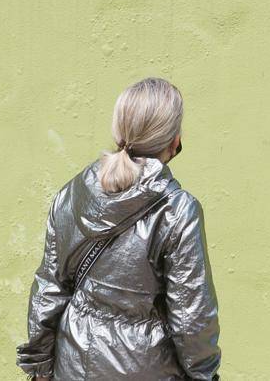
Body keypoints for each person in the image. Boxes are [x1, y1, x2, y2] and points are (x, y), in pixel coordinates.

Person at [17, 78, 220, 380]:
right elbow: (192, 319)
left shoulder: (72, 194)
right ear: (173, 139)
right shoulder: (178, 211)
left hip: (73, 366)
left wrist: (40, 368)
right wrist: (204, 375)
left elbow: (49, 287)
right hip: (146, 368)